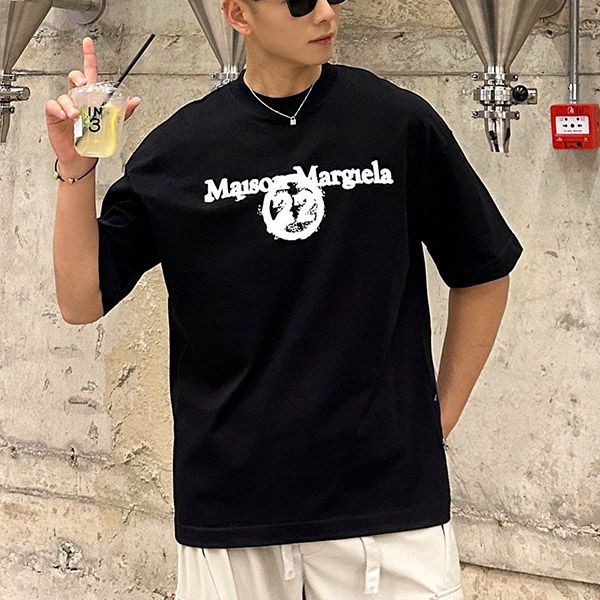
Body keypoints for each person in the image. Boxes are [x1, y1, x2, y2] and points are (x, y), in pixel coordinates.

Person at [47, 0, 523, 598]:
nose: (324, 13)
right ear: (238, 14)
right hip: (232, 508)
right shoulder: (183, 149)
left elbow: (483, 270)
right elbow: (82, 299)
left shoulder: (395, 123)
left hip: (387, 509)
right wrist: (76, 169)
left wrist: (436, 420)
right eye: (299, 1)